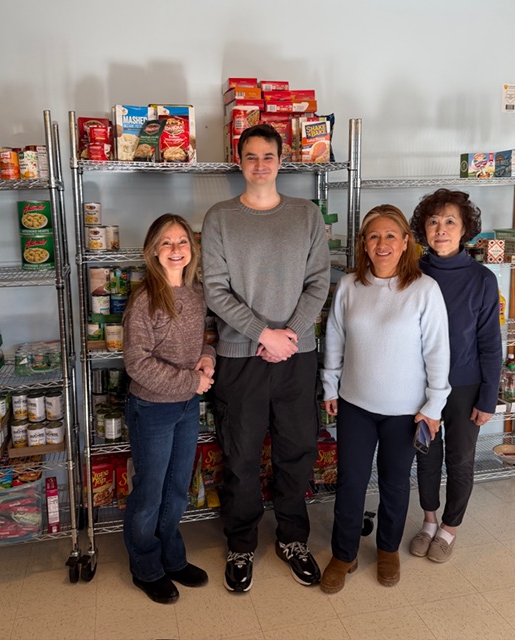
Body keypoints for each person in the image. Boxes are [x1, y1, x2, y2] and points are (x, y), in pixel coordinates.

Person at [201, 124, 330, 592]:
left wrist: (289, 334)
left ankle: (293, 539)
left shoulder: (306, 215)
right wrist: (263, 333)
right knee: (241, 456)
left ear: (281, 161)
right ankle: (241, 543)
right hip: (241, 355)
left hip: (296, 354)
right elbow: (215, 289)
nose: (260, 165)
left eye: (268, 156)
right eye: (251, 156)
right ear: (240, 162)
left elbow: (319, 281)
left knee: (297, 451)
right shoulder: (219, 217)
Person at [319, 205, 450, 593]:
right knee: (351, 482)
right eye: (373, 236)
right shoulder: (349, 286)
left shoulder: (424, 290)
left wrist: (433, 406)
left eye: (391, 235)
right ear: (363, 243)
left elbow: (438, 353)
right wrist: (329, 385)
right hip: (355, 406)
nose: (382, 243)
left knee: (395, 484)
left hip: (406, 412)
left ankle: (388, 549)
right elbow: (335, 340)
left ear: (407, 241)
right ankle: (344, 555)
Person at [122, 214, 216, 604]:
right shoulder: (145, 299)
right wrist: (191, 382)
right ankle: (145, 565)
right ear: (153, 251)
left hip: (186, 406)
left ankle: (172, 557)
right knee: (149, 491)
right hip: (153, 409)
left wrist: (207, 360)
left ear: (191, 250)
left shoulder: (196, 294)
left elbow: (204, 341)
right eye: (166, 242)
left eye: (182, 242)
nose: (175, 249)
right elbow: (137, 363)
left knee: (177, 489)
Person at [408, 188, 501, 562]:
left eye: (450, 222)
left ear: (465, 230)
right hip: (421, 385)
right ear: (423, 230)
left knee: (460, 459)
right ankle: (429, 520)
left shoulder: (482, 279)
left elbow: (490, 343)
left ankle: (449, 528)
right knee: (426, 456)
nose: (441, 230)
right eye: (433, 222)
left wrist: (488, 396)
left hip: (465, 384)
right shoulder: (412, 272)